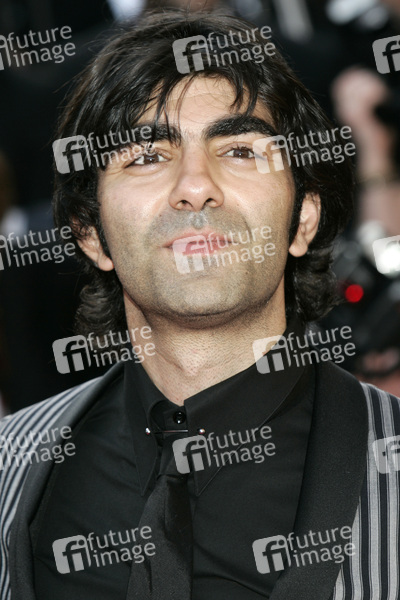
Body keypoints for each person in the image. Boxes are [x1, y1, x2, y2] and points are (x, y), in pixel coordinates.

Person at [0, 9, 399, 600]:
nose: (194, 186)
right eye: (146, 157)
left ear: (303, 219)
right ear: (91, 234)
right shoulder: (11, 468)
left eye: (238, 150)